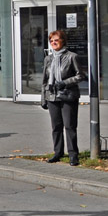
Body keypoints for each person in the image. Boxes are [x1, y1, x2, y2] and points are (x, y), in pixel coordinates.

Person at [41, 29, 86, 166]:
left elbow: (81, 76)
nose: (53, 43)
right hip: (52, 96)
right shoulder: (48, 59)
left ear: (63, 41)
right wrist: (43, 98)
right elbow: (44, 80)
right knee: (56, 127)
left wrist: (64, 83)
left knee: (70, 126)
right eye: (51, 41)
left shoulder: (72, 56)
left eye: (56, 40)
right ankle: (58, 153)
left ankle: (73, 155)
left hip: (68, 96)